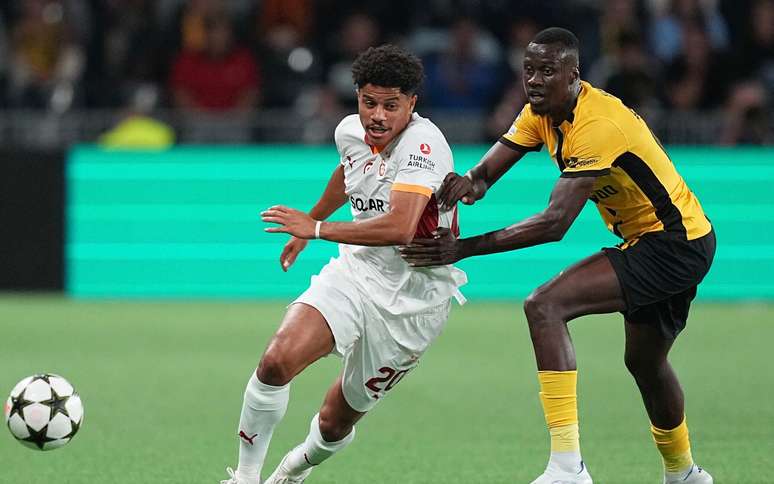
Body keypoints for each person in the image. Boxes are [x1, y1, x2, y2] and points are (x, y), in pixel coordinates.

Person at [400, 27, 715, 484]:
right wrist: (467, 183)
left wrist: (462, 249)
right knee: (645, 364)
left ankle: (568, 467)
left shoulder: (597, 124)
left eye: (548, 71)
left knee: (545, 305)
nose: (535, 80)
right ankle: (685, 473)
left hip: (672, 243)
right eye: (529, 70)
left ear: (574, 75)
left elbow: (555, 223)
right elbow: (487, 172)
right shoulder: (540, 113)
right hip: (667, 241)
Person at [221, 44, 466, 484]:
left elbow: (400, 227)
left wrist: (315, 230)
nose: (377, 116)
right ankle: (244, 478)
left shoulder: (425, 145)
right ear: (357, 97)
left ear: (411, 104)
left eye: (391, 106)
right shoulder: (349, 131)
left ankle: (292, 471)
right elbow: (349, 172)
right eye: (369, 102)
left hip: (414, 305)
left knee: (335, 422)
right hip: (356, 273)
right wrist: (310, 220)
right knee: (276, 361)